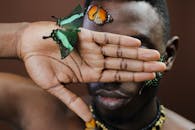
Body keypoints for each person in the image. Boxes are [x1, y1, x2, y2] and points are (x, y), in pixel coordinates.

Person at [0, 0, 194, 130]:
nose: (109, 75)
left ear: (168, 56)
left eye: (134, 52)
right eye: (95, 48)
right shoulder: (40, 112)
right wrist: (17, 40)